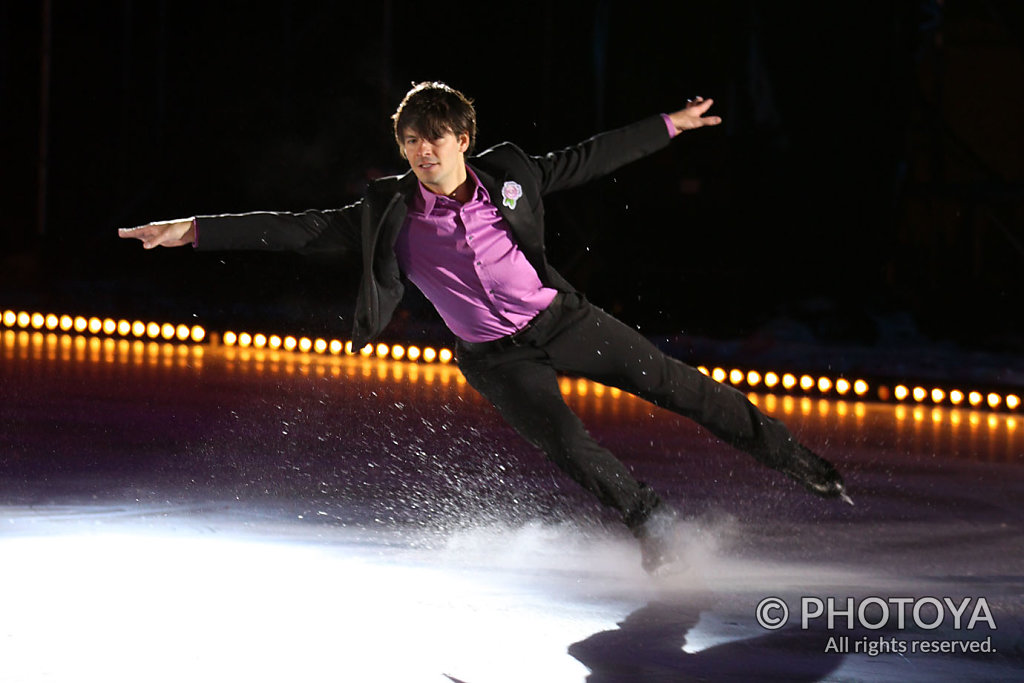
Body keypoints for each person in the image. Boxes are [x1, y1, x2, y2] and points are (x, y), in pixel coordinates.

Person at [120, 81, 850, 574]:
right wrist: (191, 231)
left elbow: (587, 158)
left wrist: (668, 125)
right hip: (497, 359)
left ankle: (800, 463)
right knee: (567, 441)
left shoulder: (508, 172)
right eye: (412, 141)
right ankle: (651, 520)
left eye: (436, 137)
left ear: (464, 136)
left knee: (679, 386)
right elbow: (292, 229)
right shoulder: (387, 212)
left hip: (562, 320)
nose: (425, 151)